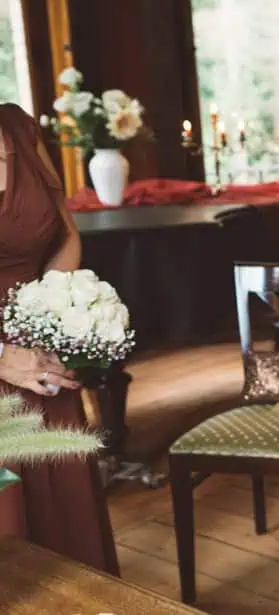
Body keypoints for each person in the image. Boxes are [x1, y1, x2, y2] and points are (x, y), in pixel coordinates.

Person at [0, 103, 119, 574]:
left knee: (65, 517)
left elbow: (66, 235)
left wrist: (51, 313)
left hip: (39, 348)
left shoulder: (19, 127)